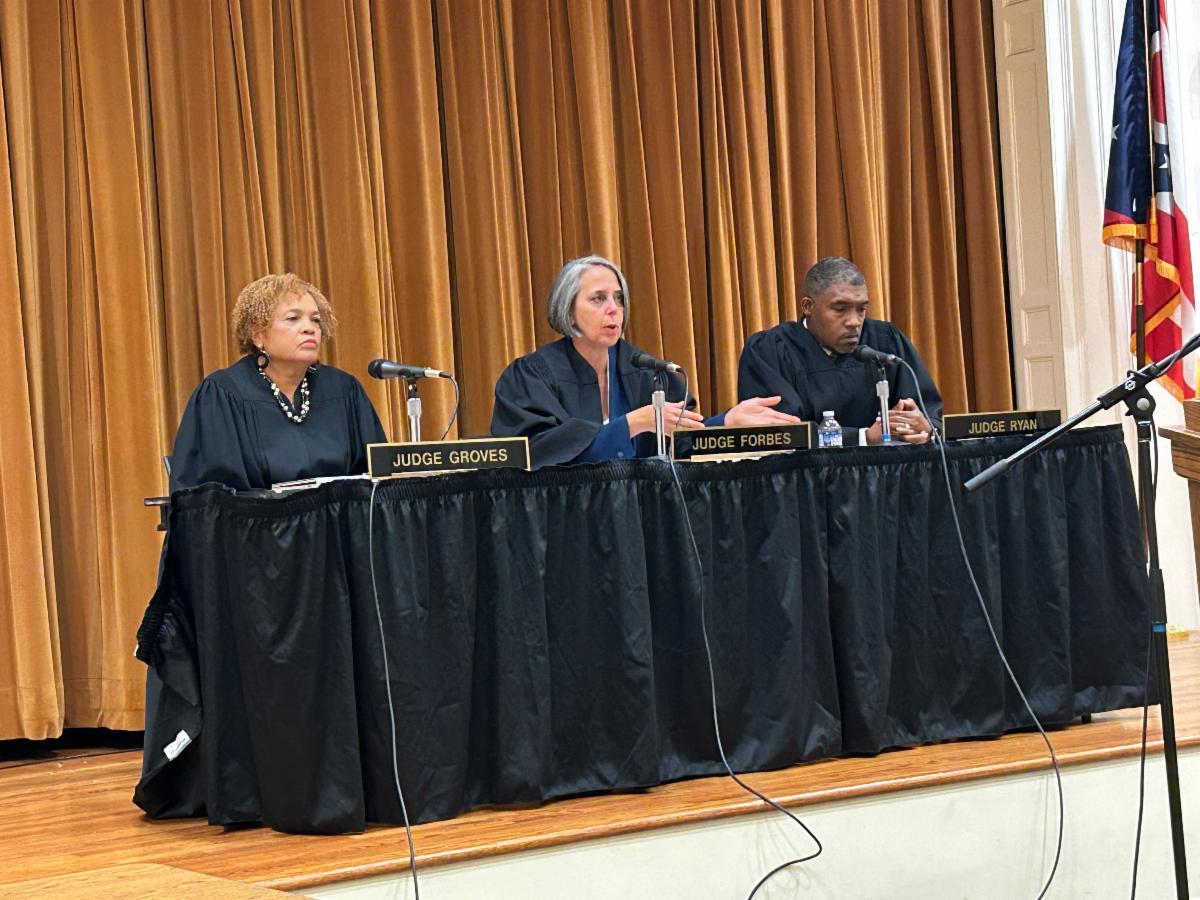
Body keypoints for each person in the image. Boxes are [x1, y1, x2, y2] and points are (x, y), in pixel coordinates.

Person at [491, 255, 799, 468]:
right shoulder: (532, 376)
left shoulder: (646, 372)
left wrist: (726, 423)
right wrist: (631, 425)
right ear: (568, 312)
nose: (613, 309)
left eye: (619, 299)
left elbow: (682, 444)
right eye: (598, 298)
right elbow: (536, 453)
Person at [169, 273, 386, 491]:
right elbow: (214, 497)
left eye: (316, 320)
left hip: (341, 514)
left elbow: (380, 480)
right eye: (293, 318)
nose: (309, 328)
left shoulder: (344, 390)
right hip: (258, 514)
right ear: (258, 335)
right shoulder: (222, 395)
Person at [737, 256, 942, 445]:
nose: (854, 322)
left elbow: (930, 414)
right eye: (840, 309)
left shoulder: (885, 341)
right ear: (808, 307)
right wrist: (863, 437)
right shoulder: (770, 351)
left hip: (889, 472)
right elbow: (780, 434)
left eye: (861, 309)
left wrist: (924, 427)